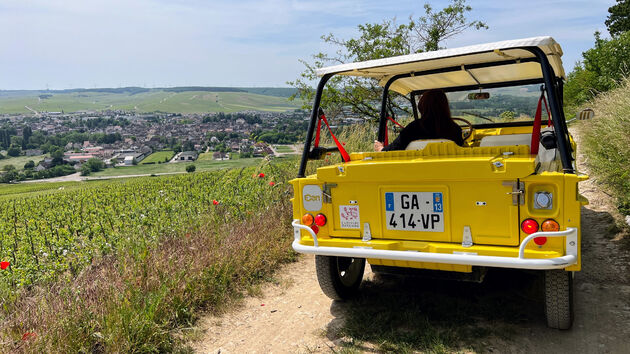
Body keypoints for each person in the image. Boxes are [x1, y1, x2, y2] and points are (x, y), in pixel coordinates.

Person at [374, 89, 463, 151]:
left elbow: (394, 149)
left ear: (422, 106)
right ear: (445, 107)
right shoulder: (455, 129)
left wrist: (381, 149)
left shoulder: (414, 128)